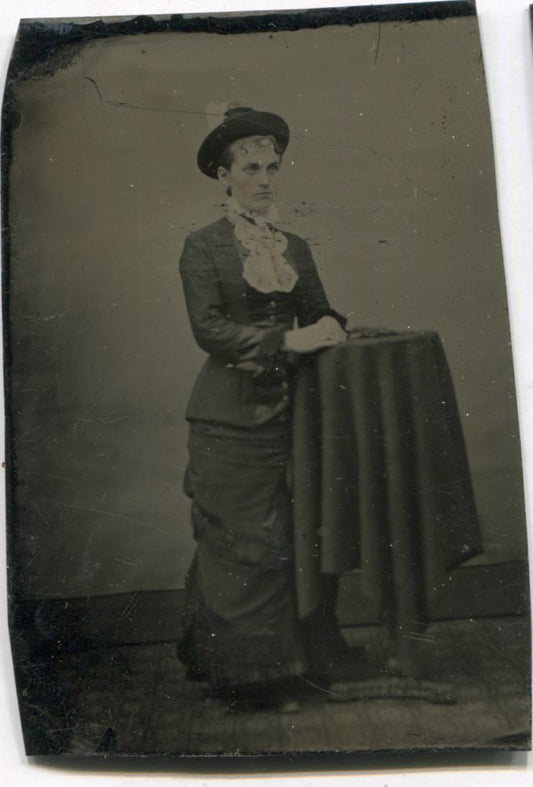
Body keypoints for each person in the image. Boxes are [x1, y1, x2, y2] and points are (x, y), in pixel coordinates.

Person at [178, 106, 347, 712]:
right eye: (250, 168)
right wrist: (286, 342)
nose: (265, 179)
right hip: (229, 421)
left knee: (291, 539)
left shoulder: (293, 246)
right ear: (223, 176)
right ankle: (247, 680)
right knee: (242, 543)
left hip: (294, 417)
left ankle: (297, 664)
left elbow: (322, 311)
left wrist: (327, 326)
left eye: (272, 167)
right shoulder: (204, 249)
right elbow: (211, 331)